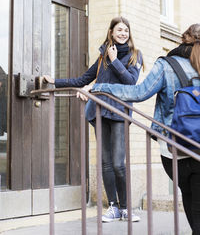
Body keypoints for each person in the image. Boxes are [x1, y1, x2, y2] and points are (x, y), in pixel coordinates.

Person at [89, 23, 200, 234]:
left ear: (183, 39)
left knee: (189, 194)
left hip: (175, 147)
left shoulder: (167, 64)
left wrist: (100, 88)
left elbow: (139, 92)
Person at [43, 16, 144, 223]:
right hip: (99, 113)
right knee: (106, 163)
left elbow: (131, 82)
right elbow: (82, 80)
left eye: (126, 30)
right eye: (119, 30)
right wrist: (55, 81)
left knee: (118, 163)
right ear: (111, 33)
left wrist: (115, 61)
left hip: (119, 115)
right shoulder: (102, 57)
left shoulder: (135, 55)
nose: (123, 33)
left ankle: (125, 208)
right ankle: (113, 208)